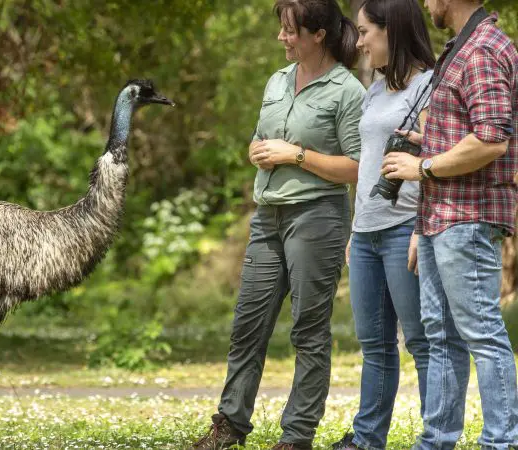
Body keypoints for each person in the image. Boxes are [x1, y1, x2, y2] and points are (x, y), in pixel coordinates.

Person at [189, 0, 364, 448]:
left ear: (317, 34)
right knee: (249, 321)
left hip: (318, 216)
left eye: (290, 30)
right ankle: (229, 424)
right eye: (282, 29)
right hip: (268, 216)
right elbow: (260, 135)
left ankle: (297, 435)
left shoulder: (346, 91)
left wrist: (296, 155)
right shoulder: (277, 80)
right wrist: (257, 149)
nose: (282, 38)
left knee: (308, 327)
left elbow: (359, 167)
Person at [381, 0, 518, 447]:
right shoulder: (458, 48)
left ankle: (502, 441)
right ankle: (437, 440)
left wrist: (421, 167)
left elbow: (492, 141)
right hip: (440, 218)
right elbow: (465, 133)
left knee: (481, 332)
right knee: (440, 335)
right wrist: (423, 224)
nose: (424, 3)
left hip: (468, 218)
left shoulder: (481, 50)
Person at [330, 1, 436, 449]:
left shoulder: (430, 86)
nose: (359, 42)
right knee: (374, 344)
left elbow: (435, 163)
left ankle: (437, 436)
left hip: (405, 227)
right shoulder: (374, 89)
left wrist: (421, 230)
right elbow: (369, 163)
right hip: (369, 229)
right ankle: (367, 438)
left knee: (422, 342)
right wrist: (357, 230)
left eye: (365, 31)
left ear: (391, 30)